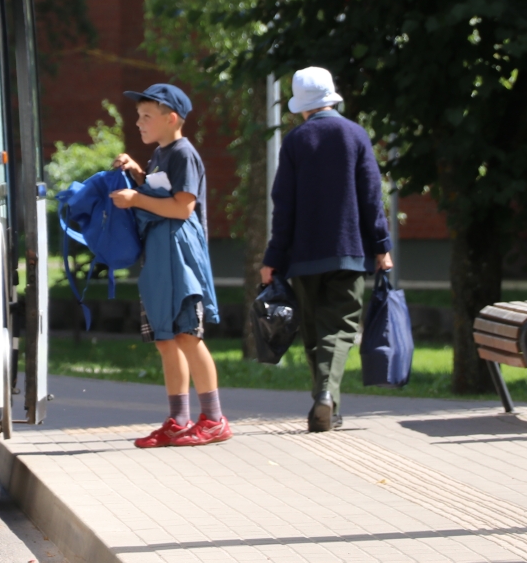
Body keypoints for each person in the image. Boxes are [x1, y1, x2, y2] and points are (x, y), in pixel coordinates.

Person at [260, 67, 393, 433]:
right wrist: (381, 246)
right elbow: (371, 198)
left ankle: (328, 406)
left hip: (302, 256)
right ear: (332, 98)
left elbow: (282, 205)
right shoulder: (355, 135)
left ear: (301, 106)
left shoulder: (295, 141)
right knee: (342, 327)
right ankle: (326, 397)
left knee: (315, 331)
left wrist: (274, 257)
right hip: (348, 252)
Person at [109, 83, 230, 448]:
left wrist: (135, 199)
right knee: (166, 339)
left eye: (147, 116)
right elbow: (160, 192)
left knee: (188, 336)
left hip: (181, 261)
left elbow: (181, 207)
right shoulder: (161, 153)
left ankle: (213, 419)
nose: (139, 123)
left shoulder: (183, 153)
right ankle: (178, 420)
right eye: (138, 116)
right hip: (160, 259)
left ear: (170, 118)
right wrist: (139, 178)